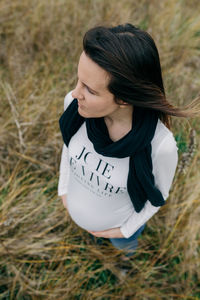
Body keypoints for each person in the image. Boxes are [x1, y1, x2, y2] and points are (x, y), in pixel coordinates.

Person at [57, 23, 199, 258]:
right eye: (78, 80)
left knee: (124, 254)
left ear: (124, 98)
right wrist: (64, 189)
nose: (74, 93)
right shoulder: (75, 107)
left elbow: (158, 197)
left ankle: (125, 266)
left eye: (89, 90)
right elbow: (68, 146)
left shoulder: (160, 146)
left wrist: (124, 231)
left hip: (120, 231)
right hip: (79, 215)